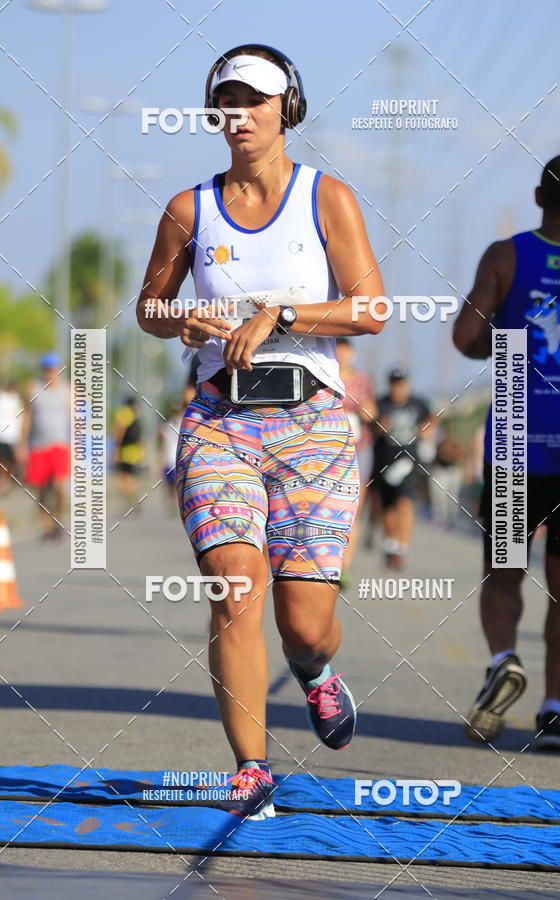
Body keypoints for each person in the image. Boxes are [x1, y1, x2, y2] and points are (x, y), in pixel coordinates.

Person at [137, 44, 385, 818]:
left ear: (289, 108)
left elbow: (372, 310)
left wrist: (281, 313)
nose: (240, 114)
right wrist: (181, 317)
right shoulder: (189, 209)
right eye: (227, 101)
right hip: (219, 425)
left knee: (303, 622)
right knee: (234, 593)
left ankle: (314, 672)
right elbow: (148, 306)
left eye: (256, 99)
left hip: (312, 428)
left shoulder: (327, 198)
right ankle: (251, 768)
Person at [453, 154, 560, 751]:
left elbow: (465, 338)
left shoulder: (504, 255)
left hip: (515, 440)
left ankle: (504, 661)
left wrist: (508, 329)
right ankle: (553, 710)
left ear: (540, 195)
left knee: (504, 569)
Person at [372, 365, 431, 568]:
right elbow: (371, 425)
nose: (398, 388)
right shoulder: (381, 404)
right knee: (388, 507)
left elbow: (432, 419)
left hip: (410, 461)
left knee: (405, 504)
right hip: (385, 461)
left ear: (407, 384)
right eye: (394, 384)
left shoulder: (419, 404)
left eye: (402, 384)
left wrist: (428, 428)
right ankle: (390, 545)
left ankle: (401, 549)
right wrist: (379, 425)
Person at [335, 338, 376, 583]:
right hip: (328, 449)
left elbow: (373, 412)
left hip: (359, 448)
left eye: (346, 349)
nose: (342, 354)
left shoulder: (362, 380)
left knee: (355, 507)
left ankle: (344, 567)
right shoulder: (321, 375)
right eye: (337, 348)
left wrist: (365, 410)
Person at [22, 353, 70, 540]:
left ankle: (58, 520)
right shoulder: (33, 389)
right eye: (46, 369)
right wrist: (21, 445)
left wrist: (77, 445)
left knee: (59, 486)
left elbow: (77, 421)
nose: (49, 373)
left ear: (58, 370)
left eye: (52, 369)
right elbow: (26, 417)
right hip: (38, 446)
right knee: (40, 489)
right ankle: (45, 527)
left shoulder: (68, 391)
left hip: (59, 446)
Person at [112, 396, 144, 513]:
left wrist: (116, 449)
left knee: (125, 478)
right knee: (130, 477)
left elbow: (119, 431)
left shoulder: (124, 413)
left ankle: (131, 502)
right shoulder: (135, 415)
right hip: (135, 451)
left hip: (125, 451)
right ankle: (133, 501)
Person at [0, 381, 23, 496]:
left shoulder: (17, 400)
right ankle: (3, 483)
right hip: (3, 437)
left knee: (10, 462)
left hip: (13, 438)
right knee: (3, 461)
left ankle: (6, 482)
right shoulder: (2, 398)